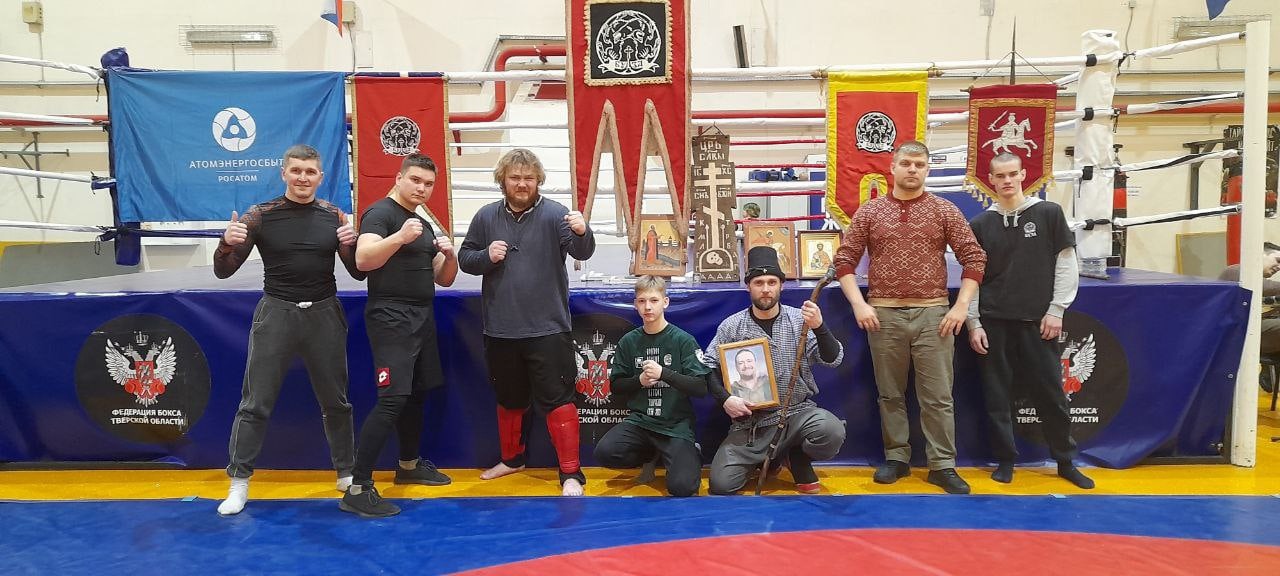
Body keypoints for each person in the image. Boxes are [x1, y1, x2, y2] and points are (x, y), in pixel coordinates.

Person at [213, 144, 364, 515]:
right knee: (255, 402)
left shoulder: (334, 215)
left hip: (324, 313)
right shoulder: (260, 215)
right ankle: (238, 483)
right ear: (284, 173)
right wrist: (224, 243)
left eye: (310, 172)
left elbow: (357, 272)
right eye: (296, 170)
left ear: (320, 177)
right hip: (277, 312)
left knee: (336, 401)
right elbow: (224, 270)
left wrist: (352, 244)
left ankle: (346, 474)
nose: (302, 178)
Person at [833, 140, 987, 495]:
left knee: (938, 396)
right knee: (890, 394)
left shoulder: (944, 210)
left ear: (927, 169)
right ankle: (897, 457)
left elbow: (974, 257)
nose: (912, 169)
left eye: (919, 164)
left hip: (934, 314)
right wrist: (859, 304)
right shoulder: (870, 212)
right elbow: (844, 260)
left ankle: (942, 465)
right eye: (906, 163)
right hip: (883, 314)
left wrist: (961, 306)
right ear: (893, 167)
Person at [458, 148, 596, 496]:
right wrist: (486, 256)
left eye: (529, 178)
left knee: (559, 400)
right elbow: (465, 258)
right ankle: (512, 460)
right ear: (503, 180)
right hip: (501, 329)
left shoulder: (557, 214)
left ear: (538, 181)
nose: (522, 184)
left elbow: (582, 251)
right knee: (509, 399)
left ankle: (571, 473)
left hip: (549, 328)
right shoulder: (485, 216)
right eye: (515, 177)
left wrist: (583, 231)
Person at [338, 153, 458, 518]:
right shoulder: (381, 213)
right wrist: (399, 237)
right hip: (391, 317)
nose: (422, 188)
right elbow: (363, 260)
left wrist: (450, 256)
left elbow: (444, 278)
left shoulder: (421, 221)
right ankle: (358, 488)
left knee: (417, 394)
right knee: (393, 399)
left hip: (422, 317)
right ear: (399, 178)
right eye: (415, 180)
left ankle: (408, 465)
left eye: (428, 183)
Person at [966, 152, 1094, 490]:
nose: (1007, 180)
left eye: (1012, 174)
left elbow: (1066, 263)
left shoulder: (1049, 213)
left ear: (1023, 175)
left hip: (1038, 322)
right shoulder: (980, 224)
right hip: (993, 321)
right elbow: (972, 277)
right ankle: (1005, 459)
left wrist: (1057, 309)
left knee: (1051, 393)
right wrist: (973, 322)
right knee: (997, 396)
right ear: (990, 180)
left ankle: (1065, 461)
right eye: (1000, 175)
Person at [704, 246, 845, 495]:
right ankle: (768, 459)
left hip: (796, 414)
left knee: (830, 431)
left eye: (772, 282)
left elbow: (833, 359)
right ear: (748, 287)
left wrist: (820, 327)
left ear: (781, 285)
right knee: (721, 485)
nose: (766, 289)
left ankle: (796, 454)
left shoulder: (800, 320)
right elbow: (708, 367)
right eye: (759, 283)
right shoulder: (732, 326)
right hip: (751, 424)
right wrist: (725, 399)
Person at [592, 275, 709, 497]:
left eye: (654, 300)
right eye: (642, 301)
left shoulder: (683, 340)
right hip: (641, 422)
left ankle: (690, 453)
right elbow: (615, 386)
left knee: (682, 488)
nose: (647, 307)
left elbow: (700, 387)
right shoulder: (629, 341)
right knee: (605, 452)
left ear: (665, 302)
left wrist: (664, 373)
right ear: (635, 304)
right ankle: (651, 456)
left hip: (675, 425)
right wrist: (640, 381)